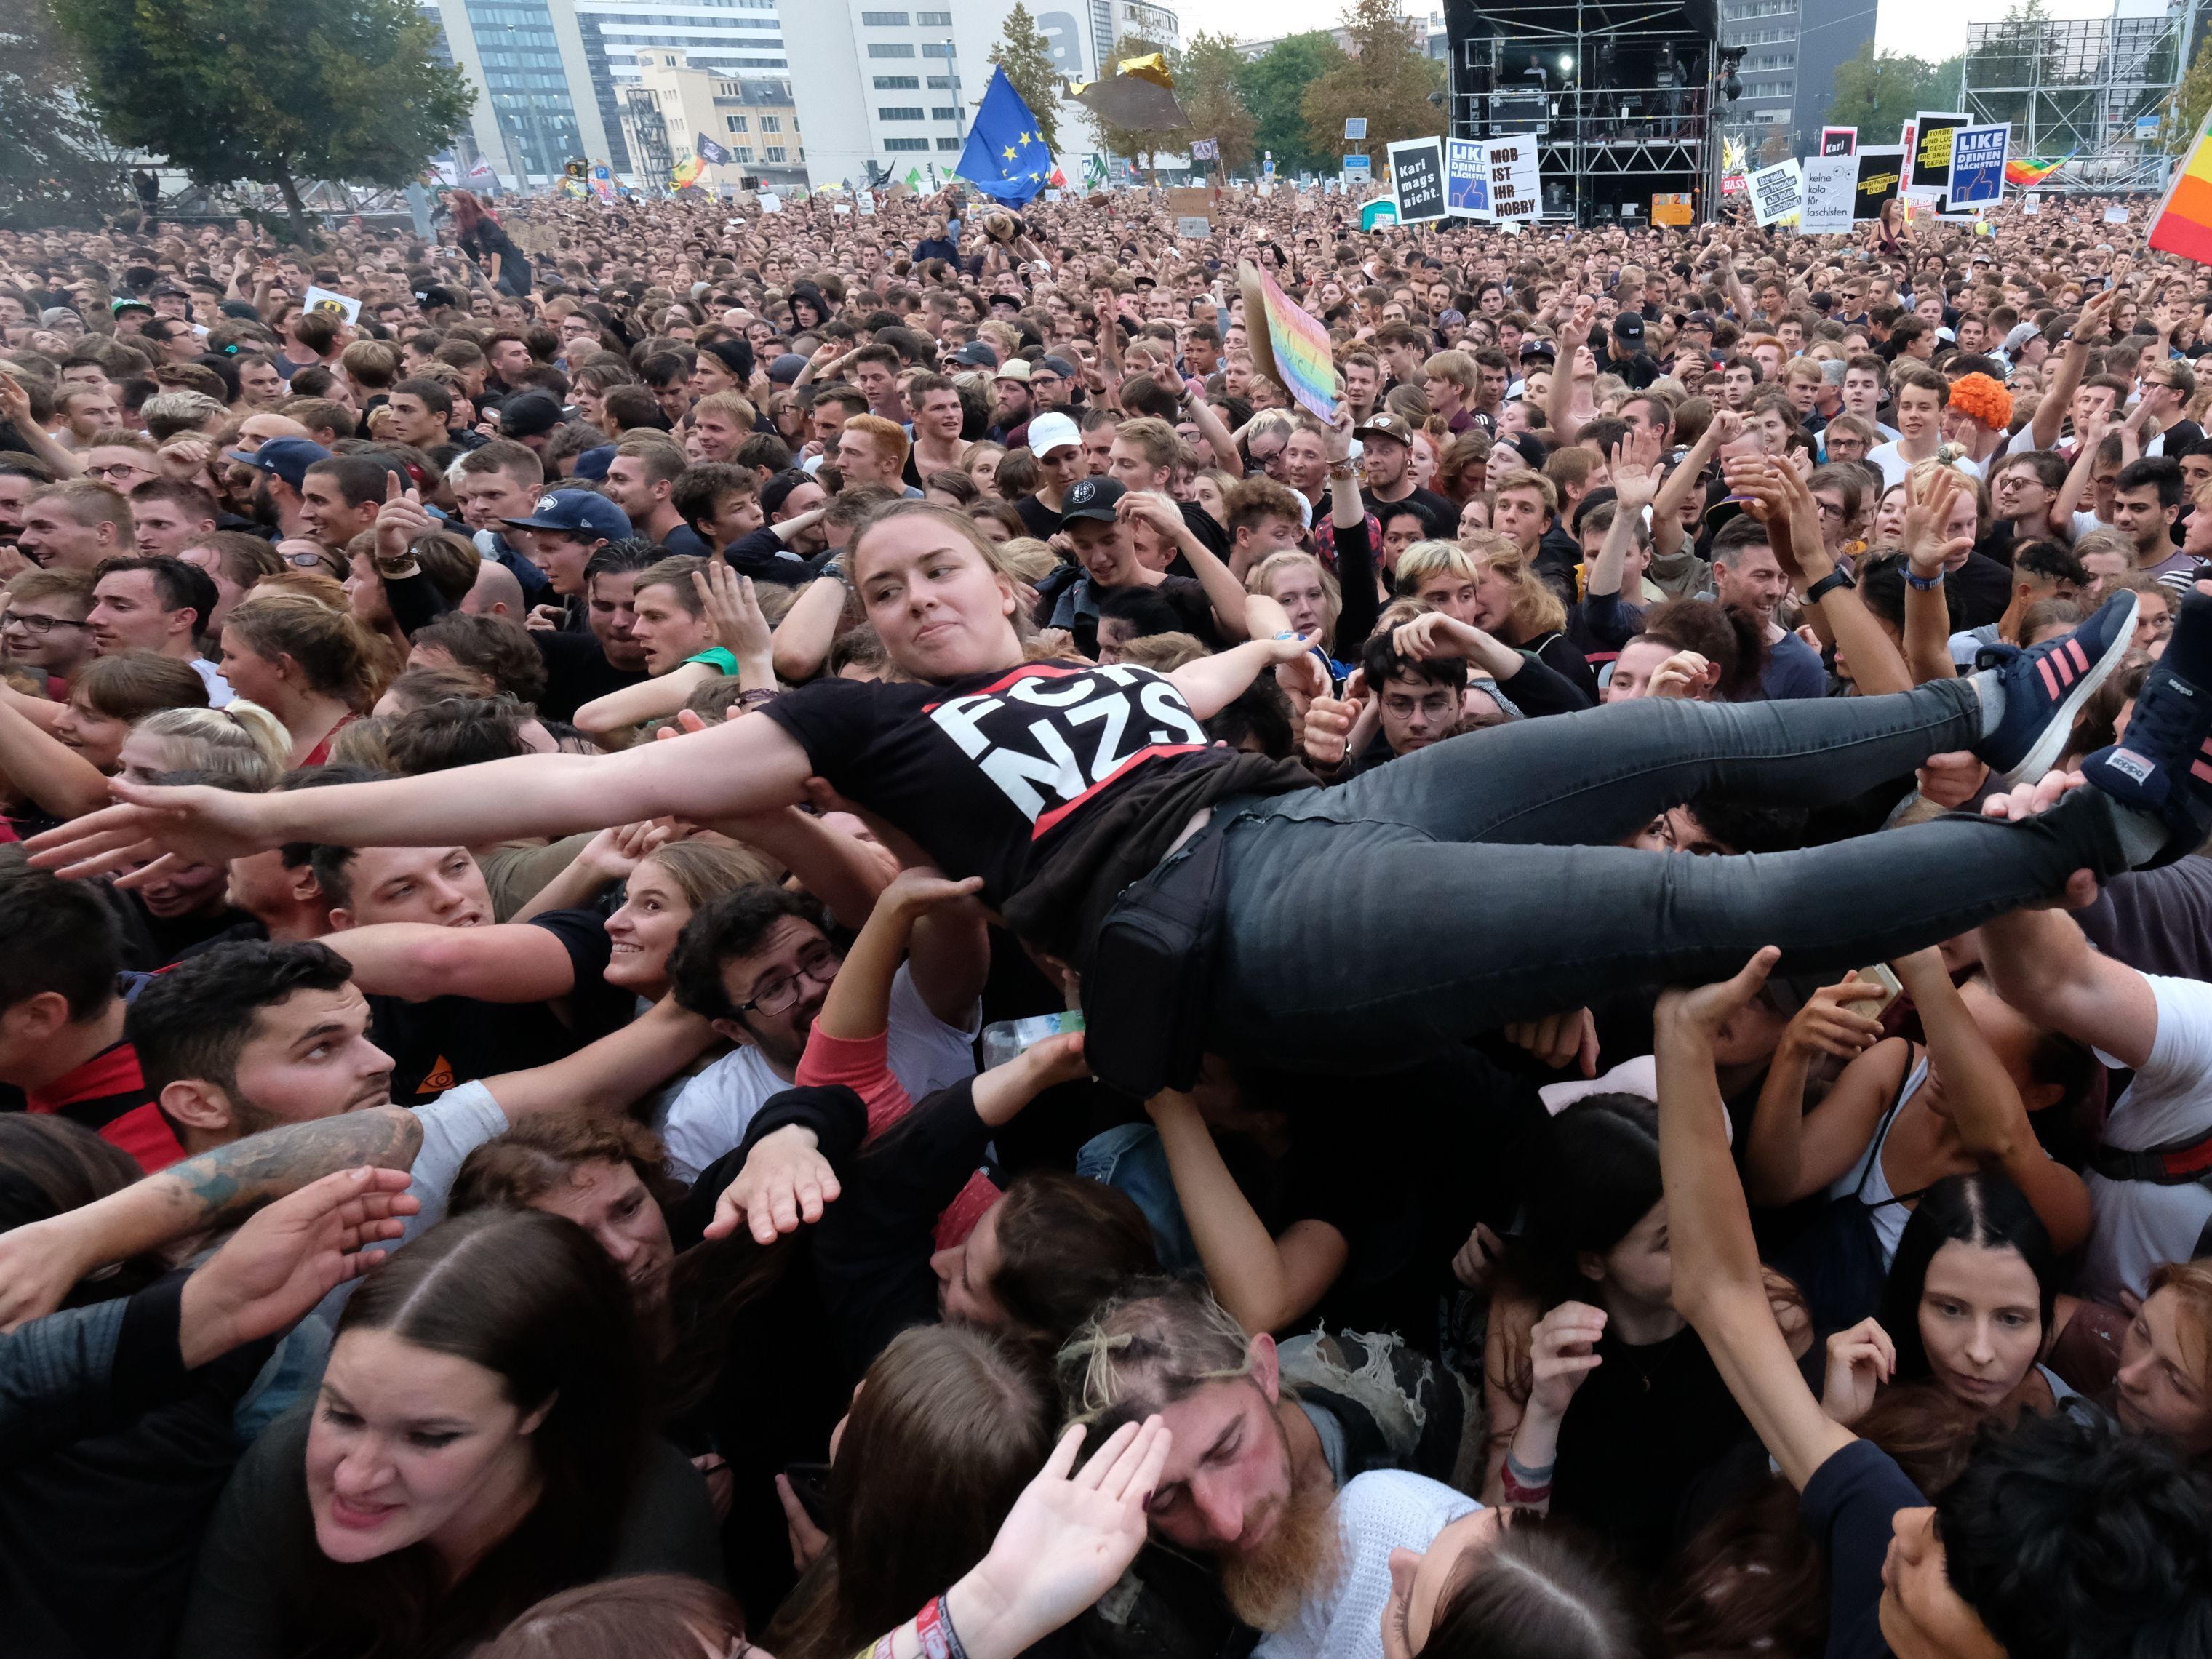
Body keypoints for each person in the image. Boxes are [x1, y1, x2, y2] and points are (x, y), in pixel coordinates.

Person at [39, 500, 2212, 1099]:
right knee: (1644, 916)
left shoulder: (1097, 669)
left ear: (993, 582)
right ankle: (2099, 825)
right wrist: (271, 828)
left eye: (935, 562)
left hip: (1311, 820)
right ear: (872, 638)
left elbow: (1234, 664)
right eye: (880, 586)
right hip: (1244, 937)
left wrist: (1266, 628)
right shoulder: (861, 739)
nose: (914, 592)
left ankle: (2010, 681)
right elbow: (545, 761)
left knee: (1646, 746)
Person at [1654, 945, 2212, 1659]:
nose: (1906, 1525)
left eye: (1949, 1539)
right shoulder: (1881, 1515)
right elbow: (1717, 1292)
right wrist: (1677, 1038)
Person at [175, 1210, 724, 1657]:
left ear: (538, 1410)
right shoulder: (285, 1465)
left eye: (428, 1436)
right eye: (342, 1413)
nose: (355, 1474)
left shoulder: (645, 1517)